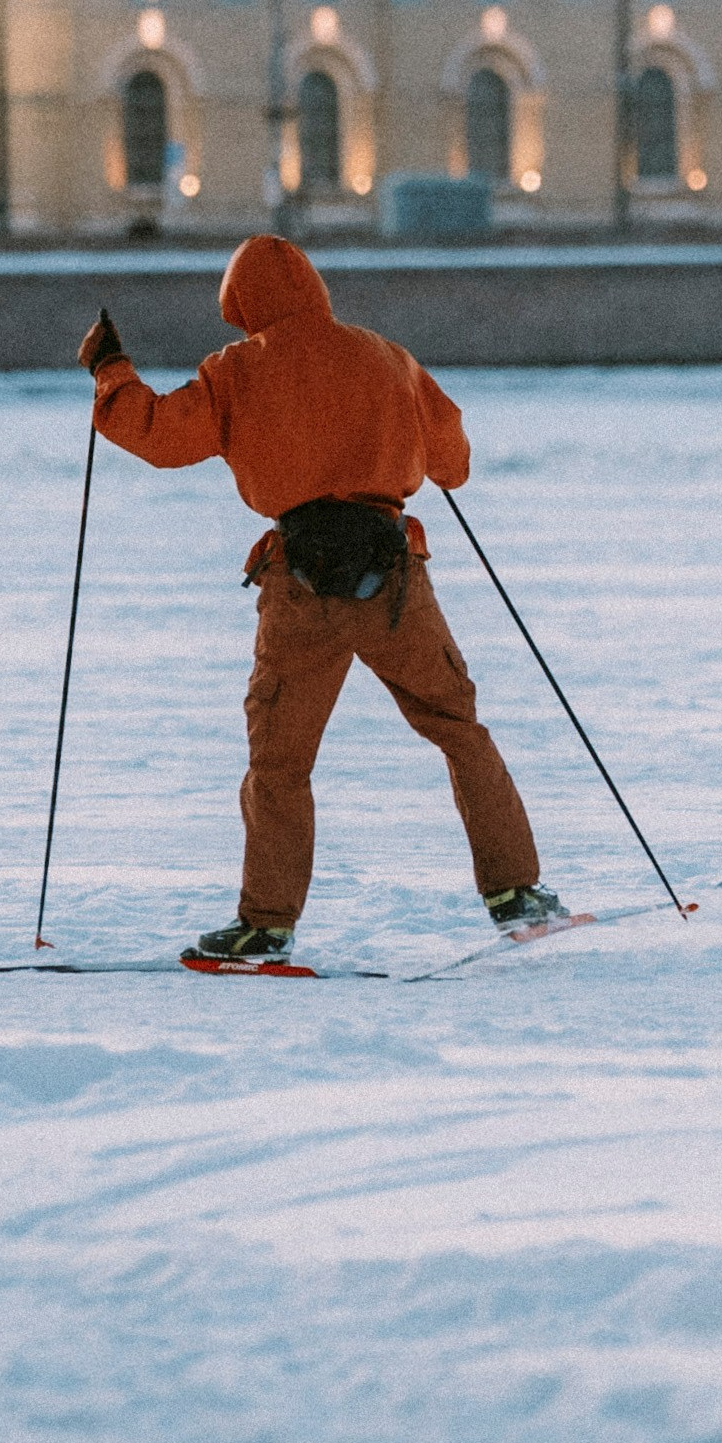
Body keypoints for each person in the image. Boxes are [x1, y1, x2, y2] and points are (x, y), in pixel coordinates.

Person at [79, 235, 563, 964]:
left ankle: (265, 924)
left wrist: (110, 369)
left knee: (279, 762)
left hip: (297, 588)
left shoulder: (235, 369)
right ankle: (516, 893)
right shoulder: (385, 356)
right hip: (395, 582)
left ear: (238, 304)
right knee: (458, 727)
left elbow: (156, 435)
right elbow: (453, 462)